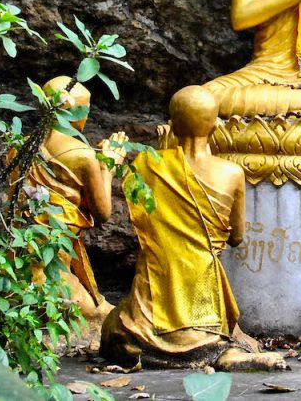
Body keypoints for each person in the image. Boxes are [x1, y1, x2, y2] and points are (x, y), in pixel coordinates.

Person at [100, 86, 287, 371]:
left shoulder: (146, 164)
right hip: (205, 301)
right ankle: (221, 352)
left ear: (171, 125)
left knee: (114, 329)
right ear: (215, 125)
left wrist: (110, 165)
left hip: (149, 310)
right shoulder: (231, 173)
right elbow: (236, 238)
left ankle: (164, 350)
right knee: (232, 339)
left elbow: (150, 215)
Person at [24, 76, 124, 348]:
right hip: (53, 258)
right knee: (92, 313)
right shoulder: (83, 156)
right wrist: (109, 166)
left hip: (20, 252)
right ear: (73, 112)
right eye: (85, 110)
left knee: (96, 308)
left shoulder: (21, 146)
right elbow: (102, 212)